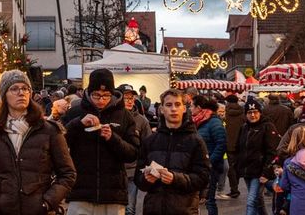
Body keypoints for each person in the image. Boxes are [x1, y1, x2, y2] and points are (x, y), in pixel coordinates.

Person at [0, 69, 76, 215]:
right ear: (4, 95)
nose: (21, 93)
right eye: (14, 89)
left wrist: (47, 202)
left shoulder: (48, 130)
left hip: (38, 211)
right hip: (4, 210)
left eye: (25, 88)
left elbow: (68, 174)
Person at [62, 68, 141, 215]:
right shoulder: (75, 112)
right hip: (80, 192)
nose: (101, 100)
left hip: (113, 194)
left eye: (106, 96)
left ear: (112, 93)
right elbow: (60, 143)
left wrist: (113, 138)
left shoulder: (124, 115)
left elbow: (133, 153)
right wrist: (78, 124)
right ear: (88, 92)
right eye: (96, 95)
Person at [136, 89, 211, 215]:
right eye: (169, 105)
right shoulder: (150, 141)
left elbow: (203, 178)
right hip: (153, 209)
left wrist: (175, 179)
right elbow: (138, 178)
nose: (173, 109)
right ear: (161, 109)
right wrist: (146, 179)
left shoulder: (195, 141)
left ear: (184, 108)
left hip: (184, 210)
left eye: (177, 104)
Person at [235, 96, 280, 215]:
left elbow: (272, 152)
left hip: (259, 171)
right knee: (257, 199)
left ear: (260, 112)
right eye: (249, 112)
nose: (252, 115)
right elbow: (239, 148)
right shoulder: (244, 127)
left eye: (255, 112)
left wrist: (266, 172)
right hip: (247, 170)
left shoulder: (267, 126)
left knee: (251, 201)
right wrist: (237, 166)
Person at [120, 84, 153, 215]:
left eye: (131, 98)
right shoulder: (112, 117)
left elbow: (148, 145)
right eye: (126, 98)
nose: (129, 101)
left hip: (132, 171)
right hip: (112, 171)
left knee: (129, 208)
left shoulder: (141, 121)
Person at [193, 95, 227, 215]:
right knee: (196, 199)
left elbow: (221, 144)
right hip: (199, 166)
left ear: (198, 108)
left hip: (211, 167)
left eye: (192, 106)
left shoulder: (213, 122)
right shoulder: (198, 121)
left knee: (209, 200)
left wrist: (209, 162)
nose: (190, 108)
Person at [223, 95, 245, 199]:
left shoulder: (226, 114)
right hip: (241, 144)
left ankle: (234, 189)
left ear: (228, 102)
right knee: (237, 166)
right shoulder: (242, 113)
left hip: (229, 145)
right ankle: (235, 186)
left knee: (231, 168)